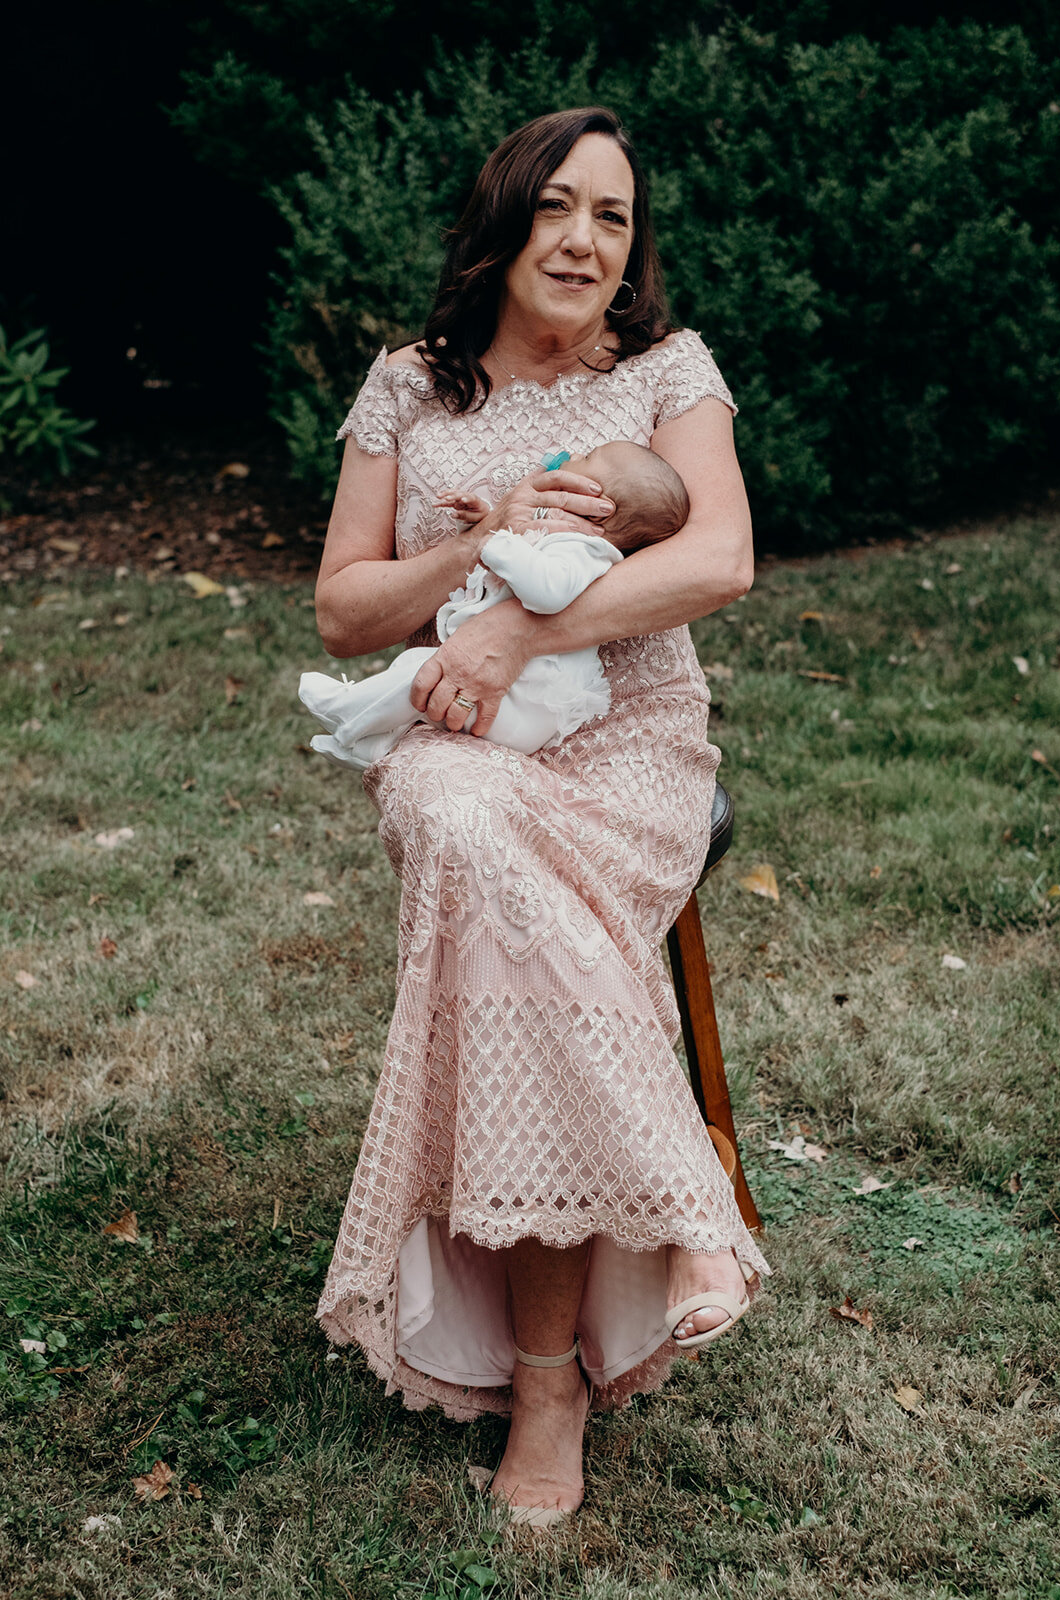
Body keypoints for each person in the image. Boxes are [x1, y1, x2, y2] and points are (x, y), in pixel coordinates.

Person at [312, 105, 769, 1528]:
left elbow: (721, 560)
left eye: (613, 217)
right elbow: (340, 609)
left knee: (489, 875)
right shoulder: (407, 388)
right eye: (559, 206)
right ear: (506, 216)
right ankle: (662, 1231)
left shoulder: (665, 373)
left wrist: (512, 629)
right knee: (461, 824)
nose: (584, 240)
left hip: (631, 745)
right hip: (456, 745)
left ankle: (546, 1373)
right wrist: (469, 541)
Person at [297, 441, 690, 770]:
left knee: (421, 670)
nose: (574, 455)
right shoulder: (560, 536)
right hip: (514, 701)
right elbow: (519, 553)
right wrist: (481, 521)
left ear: (597, 502)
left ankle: (348, 717)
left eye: (587, 458)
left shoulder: (588, 549)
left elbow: (547, 590)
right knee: (415, 669)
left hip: (528, 707)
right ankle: (369, 746)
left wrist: (495, 542)